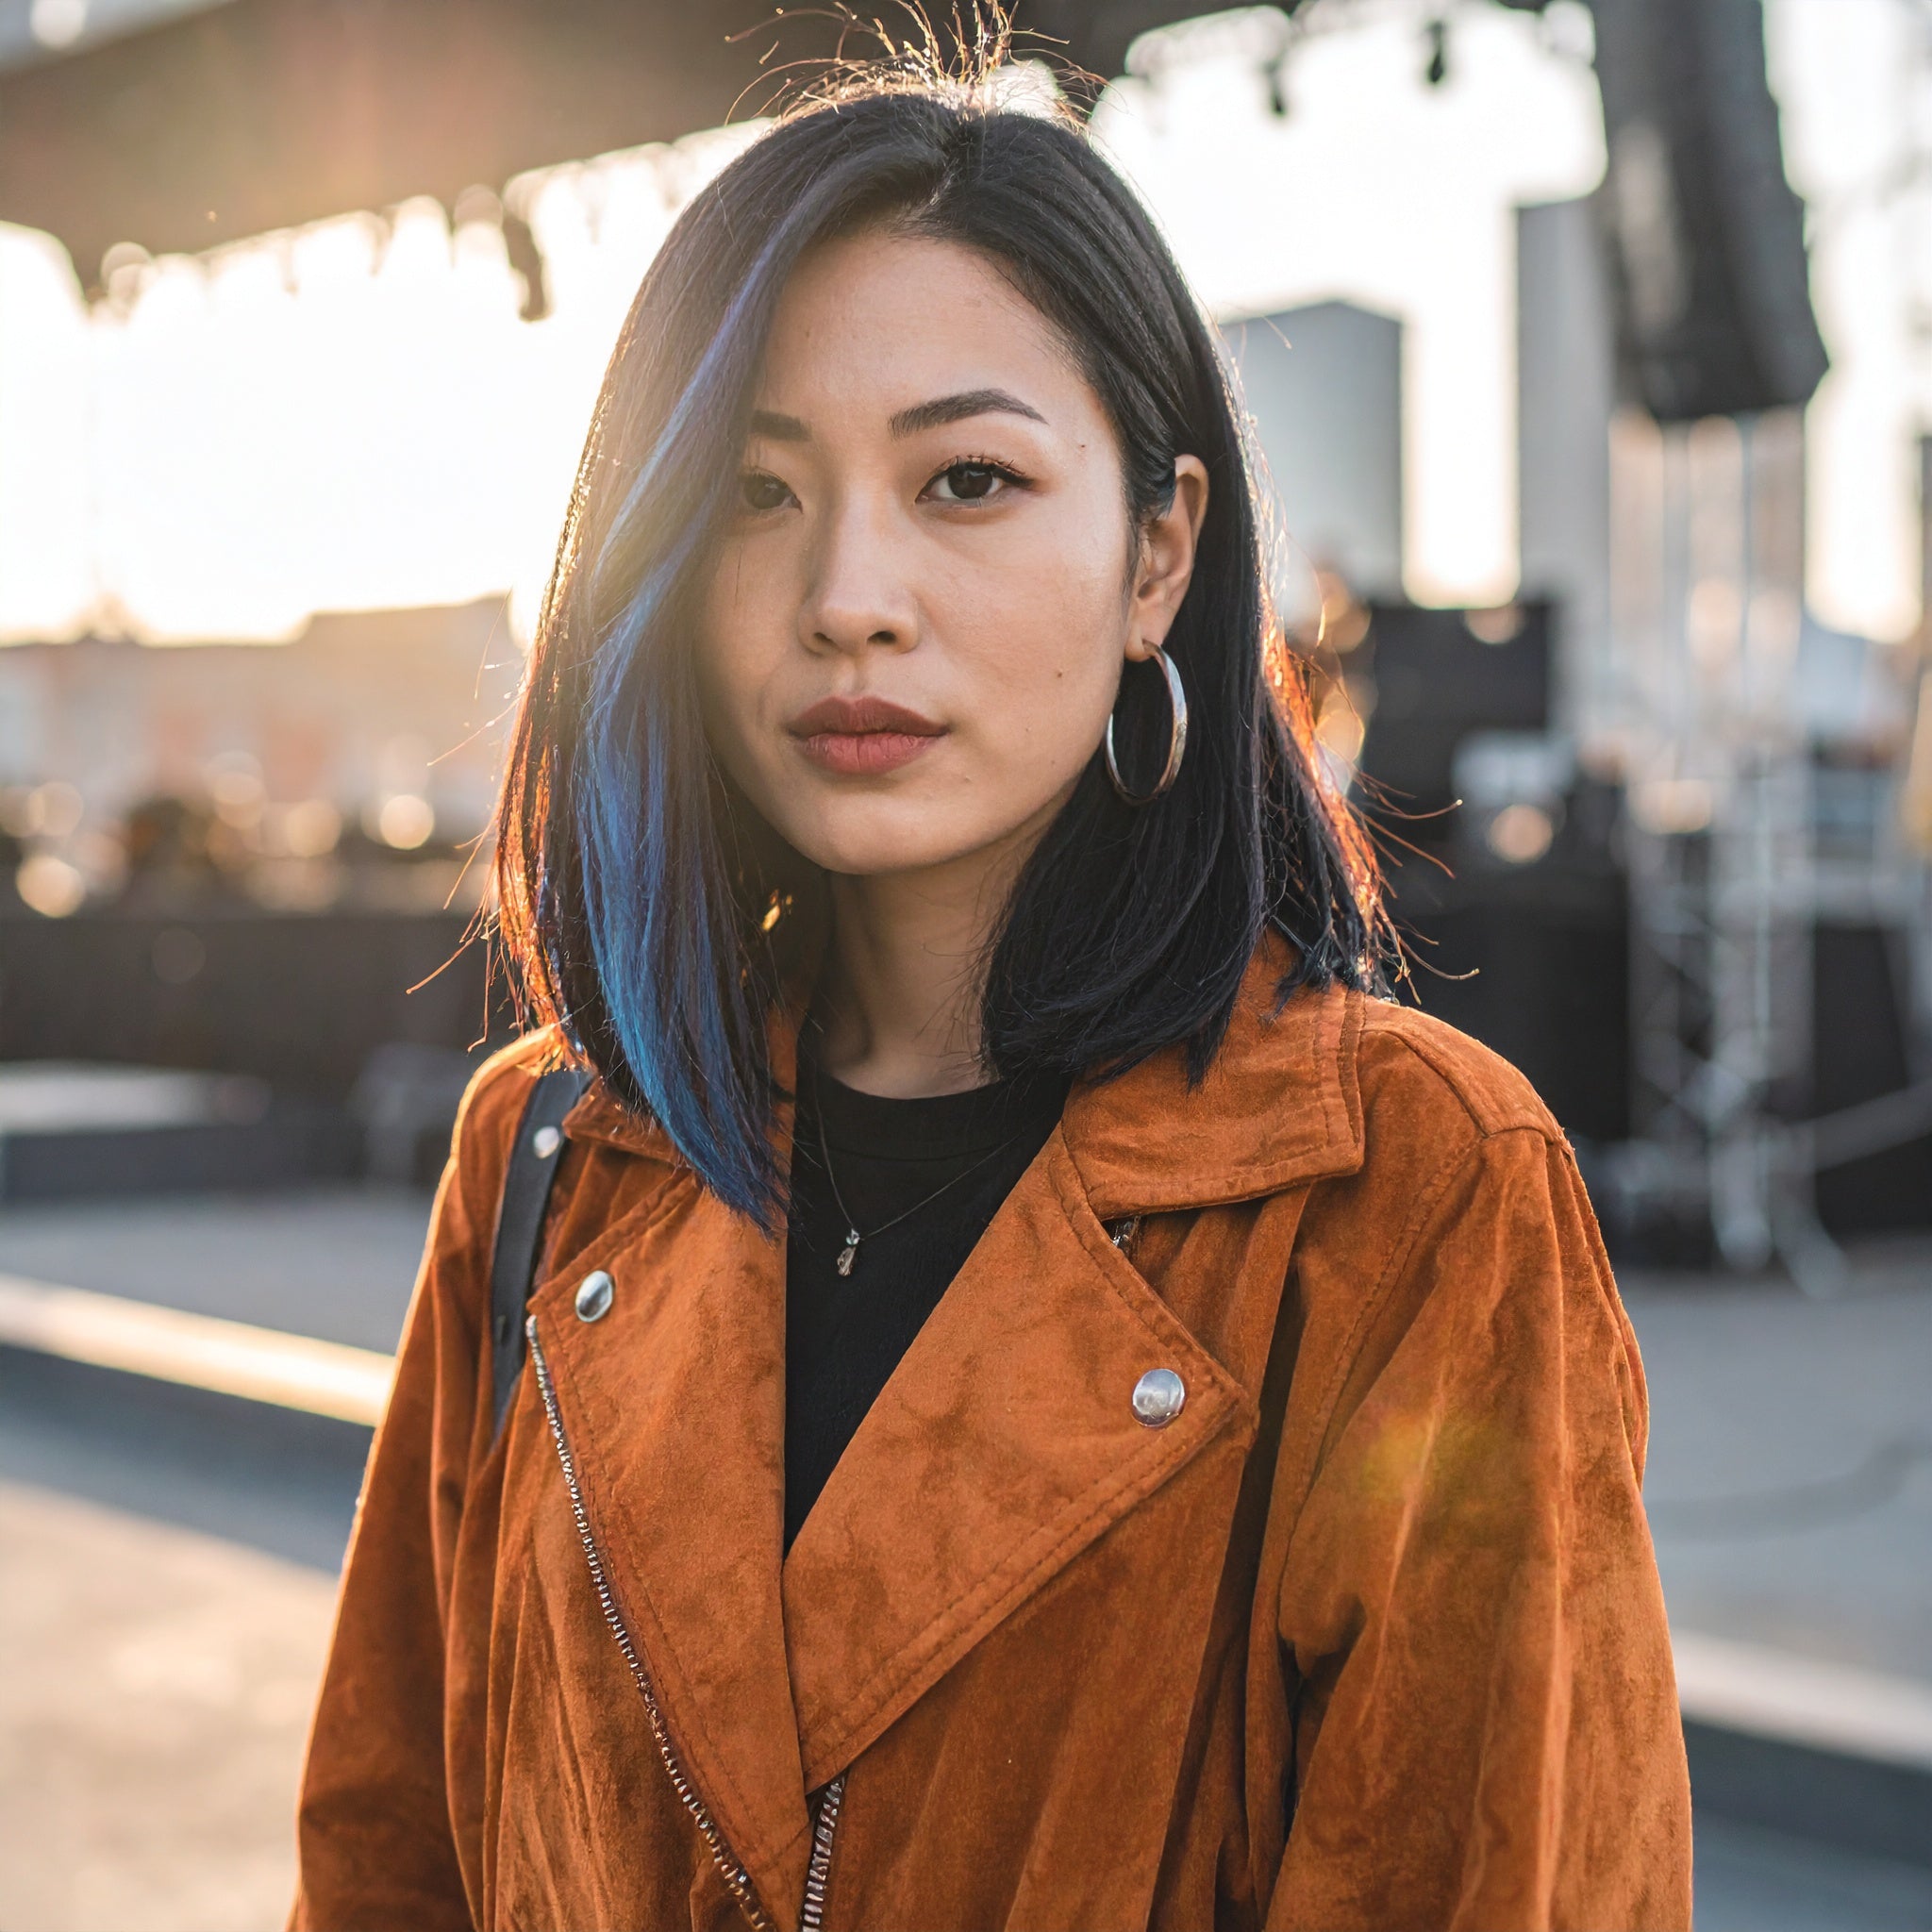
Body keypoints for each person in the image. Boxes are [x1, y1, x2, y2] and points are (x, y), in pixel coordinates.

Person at [291, 61, 1692, 1932]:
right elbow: (387, 1871)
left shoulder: (1409, 1195)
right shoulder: (545, 1153)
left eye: (968, 481)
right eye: (753, 492)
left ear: (1158, 555)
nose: (848, 593)